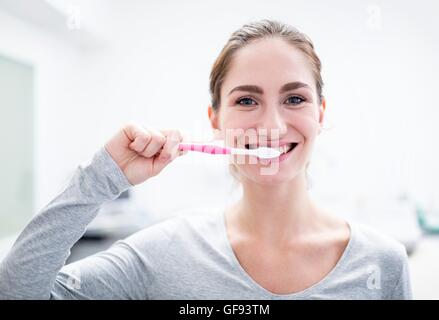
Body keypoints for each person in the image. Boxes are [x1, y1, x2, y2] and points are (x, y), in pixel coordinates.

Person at [0, 19, 412, 299]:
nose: (272, 121)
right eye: (247, 99)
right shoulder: (165, 252)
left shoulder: (382, 262)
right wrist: (100, 179)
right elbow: (17, 292)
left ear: (319, 114)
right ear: (215, 119)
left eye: (295, 98)